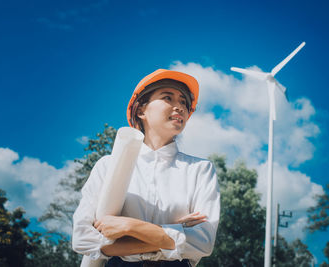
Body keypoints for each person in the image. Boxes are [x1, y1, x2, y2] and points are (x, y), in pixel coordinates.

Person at [72, 69, 220, 267]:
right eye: (168, 98)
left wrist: (128, 225)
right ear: (141, 111)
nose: (180, 107)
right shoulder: (108, 166)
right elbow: (82, 239)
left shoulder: (201, 170)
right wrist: (174, 233)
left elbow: (204, 243)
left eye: (184, 102)